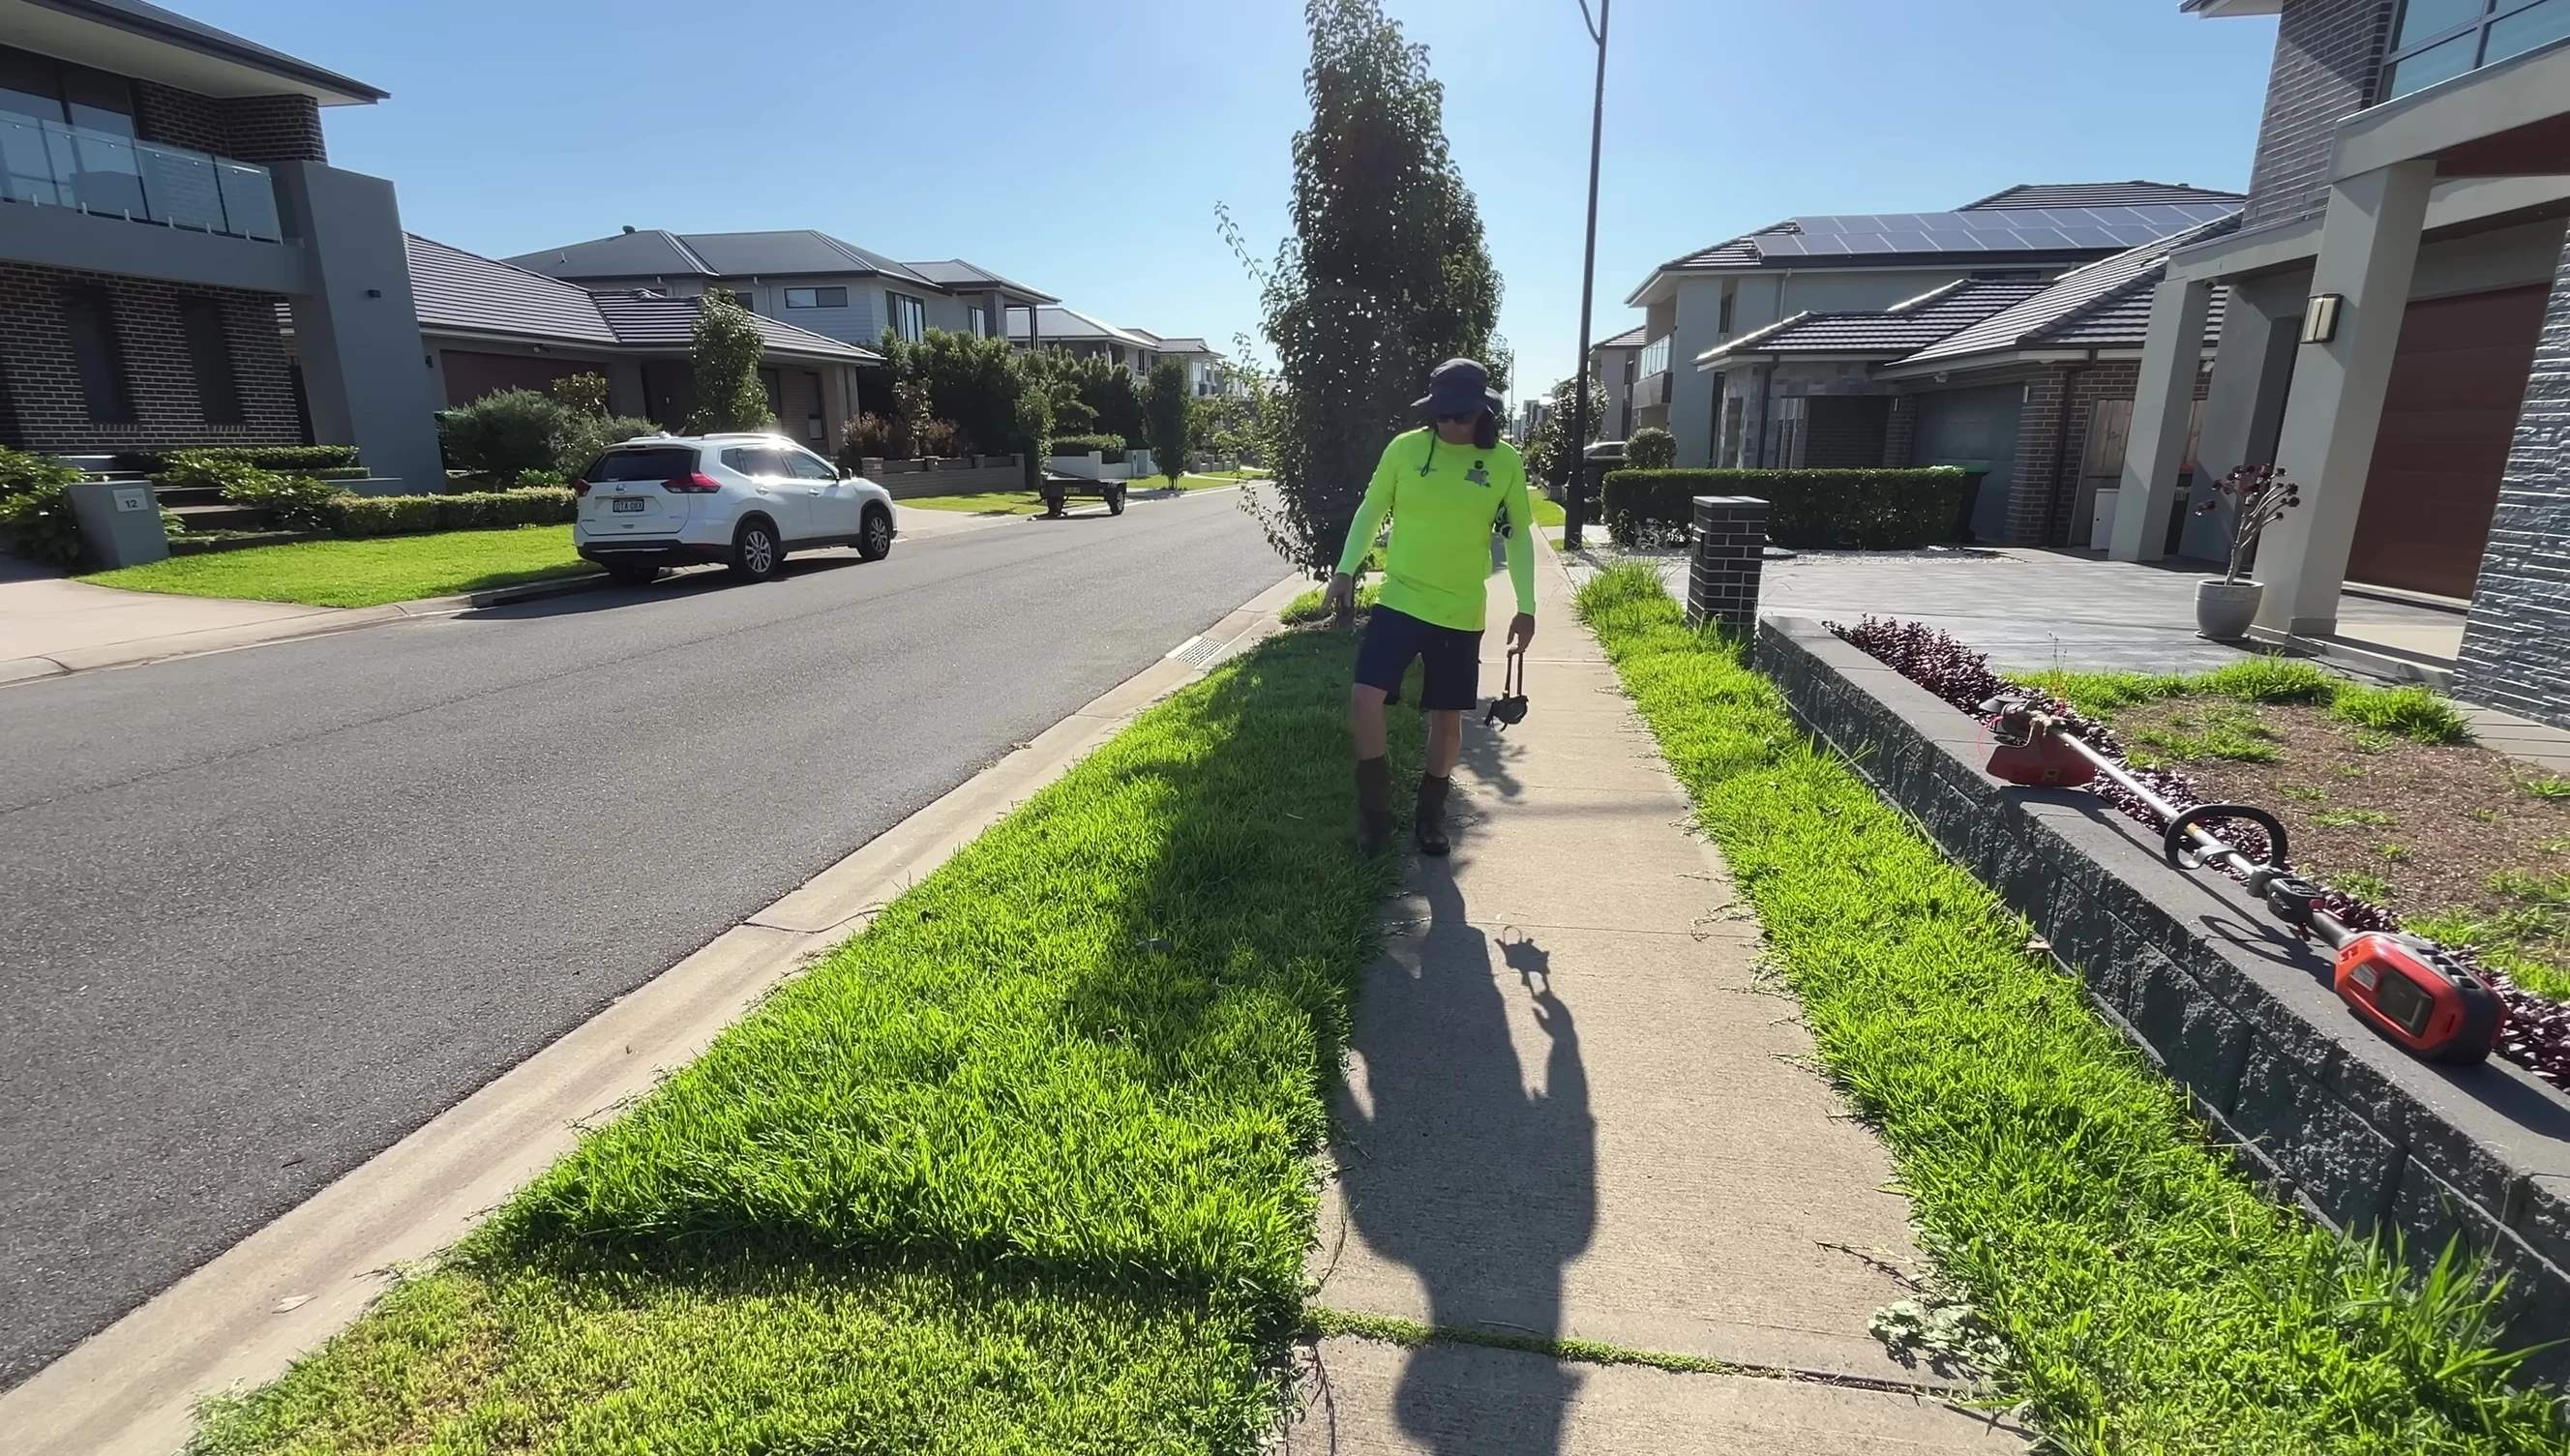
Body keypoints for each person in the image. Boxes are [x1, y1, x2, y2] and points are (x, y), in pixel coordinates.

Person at [1322, 358, 1536, 856]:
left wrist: (1526, 607)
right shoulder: (1406, 450)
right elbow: (1372, 509)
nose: (1450, 425)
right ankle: (1376, 814)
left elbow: (1520, 534)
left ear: (1482, 413)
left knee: (1447, 718)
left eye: (1460, 416)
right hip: (1400, 599)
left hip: (1460, 610)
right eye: (1441, 416)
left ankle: (1430, 814)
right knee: (1364, 698)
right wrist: (1346, 569)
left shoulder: (1504, 461)